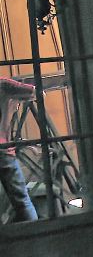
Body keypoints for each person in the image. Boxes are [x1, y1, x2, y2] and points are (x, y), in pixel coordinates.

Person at [0, 77, 38, 223]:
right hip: (3, 150)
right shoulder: (3, 84)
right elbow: (33, 92)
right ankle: (36, 235)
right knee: (22, 201)